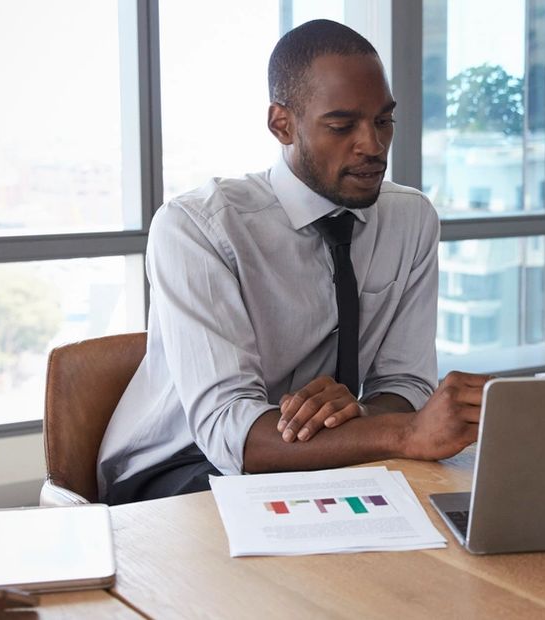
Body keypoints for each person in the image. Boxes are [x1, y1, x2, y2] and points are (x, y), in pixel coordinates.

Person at [97, 20, 488, 505]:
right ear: (282, 123)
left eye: (384, 121)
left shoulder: (410, 220)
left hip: (322, 459)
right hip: (179, 470)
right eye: (342, 126)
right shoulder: (196, 227)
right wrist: (403, 432)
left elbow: (403, 383)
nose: (373, 145)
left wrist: (361, 415)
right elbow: (229, 432)